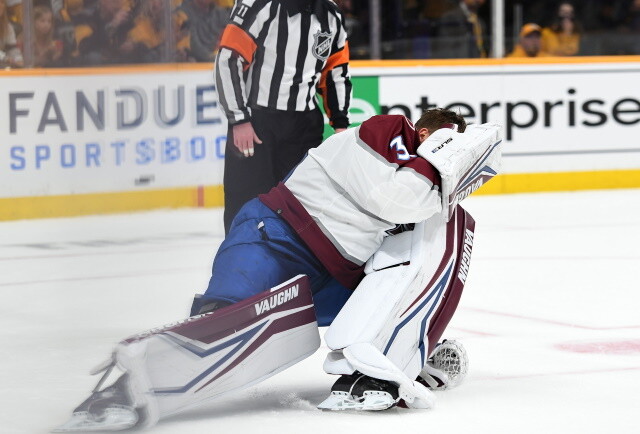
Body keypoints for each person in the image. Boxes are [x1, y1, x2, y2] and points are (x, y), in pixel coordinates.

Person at [55, 108, 503, 431]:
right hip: (279, 234)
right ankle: (125, 389)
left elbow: (411, 261)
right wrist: (450, 156)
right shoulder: (390, 129)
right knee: (224, 320)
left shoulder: (429, 189)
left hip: (335, 271)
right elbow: (394, 198)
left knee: (415, 268)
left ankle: (399, 359)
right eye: (447, 139)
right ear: (426, 131)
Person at [215, 0, 352, 233]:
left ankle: (293, 267)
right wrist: (239, 120)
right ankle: (243, 266)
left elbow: (335, 71)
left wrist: (340, 124)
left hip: (304, 127)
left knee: (300, 210)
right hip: (257, 123)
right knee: (246, 204)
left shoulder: (330, 14)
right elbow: (229, 59)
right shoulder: (259, 4)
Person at [0, 0, 22, 67]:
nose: (0, 5)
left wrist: (19, 60)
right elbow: (6, 58)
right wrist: (6, 58)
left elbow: (13, 50)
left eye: (2, 2)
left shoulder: (7, 27)